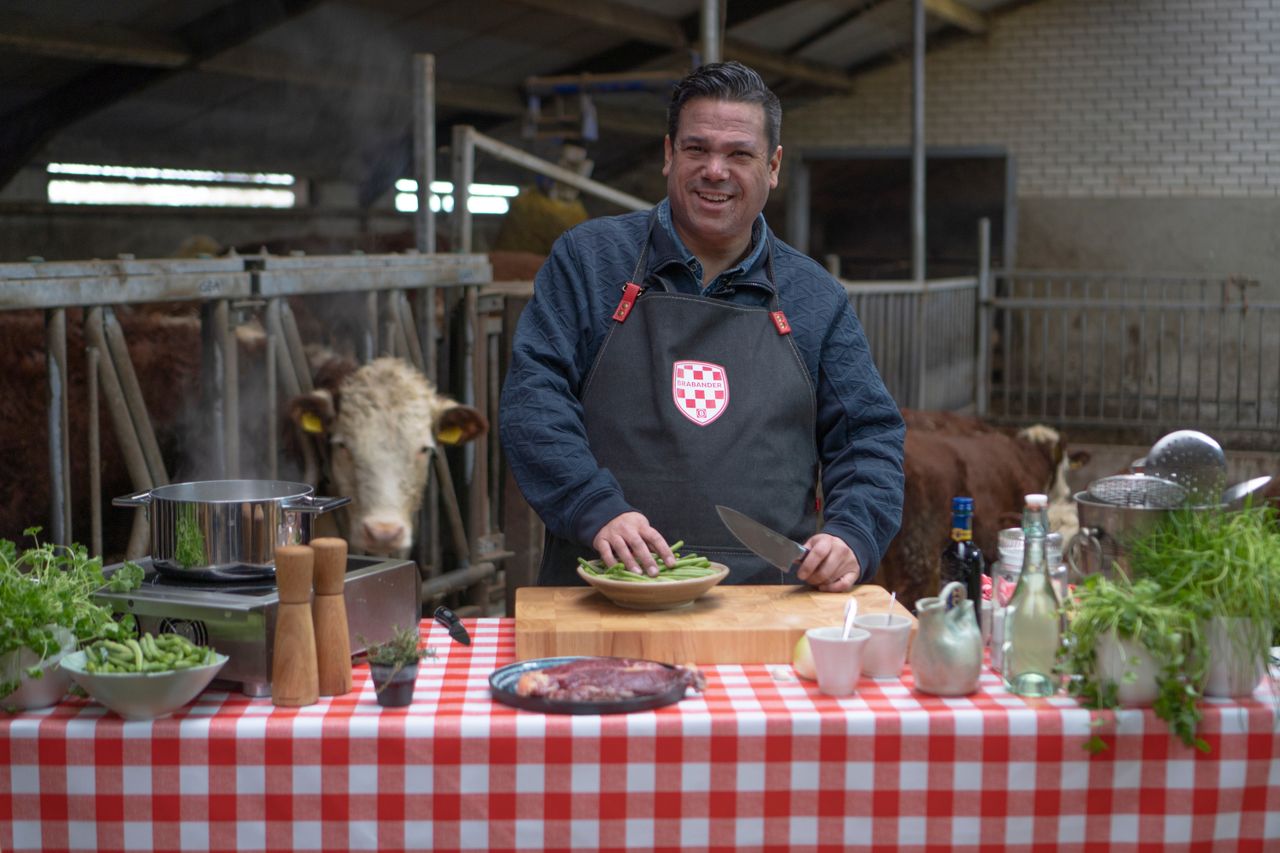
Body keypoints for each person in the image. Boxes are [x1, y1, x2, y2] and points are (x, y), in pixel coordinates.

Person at [499, 61, 905, 593]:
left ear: (773, 166)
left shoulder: (815, 297)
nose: (715, 170)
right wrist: (592, 506)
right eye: (697, 149)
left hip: (765, 601)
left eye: (739, 154)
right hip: (606, 590)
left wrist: (853, 532)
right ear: (669, 155)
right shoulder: (589, 261)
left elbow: (868, 435)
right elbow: (535, 399)